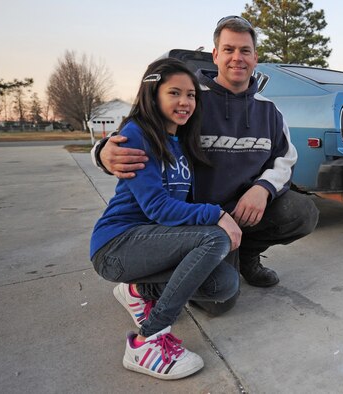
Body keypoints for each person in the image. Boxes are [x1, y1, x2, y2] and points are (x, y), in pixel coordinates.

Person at [92, 16, 319, 301]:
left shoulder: (269, 111)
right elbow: (142, 125)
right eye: (229, 49)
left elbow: (286, 158)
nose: (237, 58)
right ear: (215, 55)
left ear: (255, 57)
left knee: (302, 212)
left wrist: (263, 189)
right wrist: (102, 151)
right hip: (196, 217)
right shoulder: (191, 101)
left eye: (245, 51)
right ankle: (153, 282)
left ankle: (247, 255)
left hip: (244, 208)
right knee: (220, 298)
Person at [90, 57, 242, 380]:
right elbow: (158, 208)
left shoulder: (180, 143)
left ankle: (138, 291)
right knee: (215, 236)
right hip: (116, 245)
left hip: (151, 244)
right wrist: (218, 215)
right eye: (175, 93)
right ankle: (149, 339)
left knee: (224, 283)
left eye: (191, 95)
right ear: (153, 93)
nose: (185, 102)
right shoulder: (136, 134)